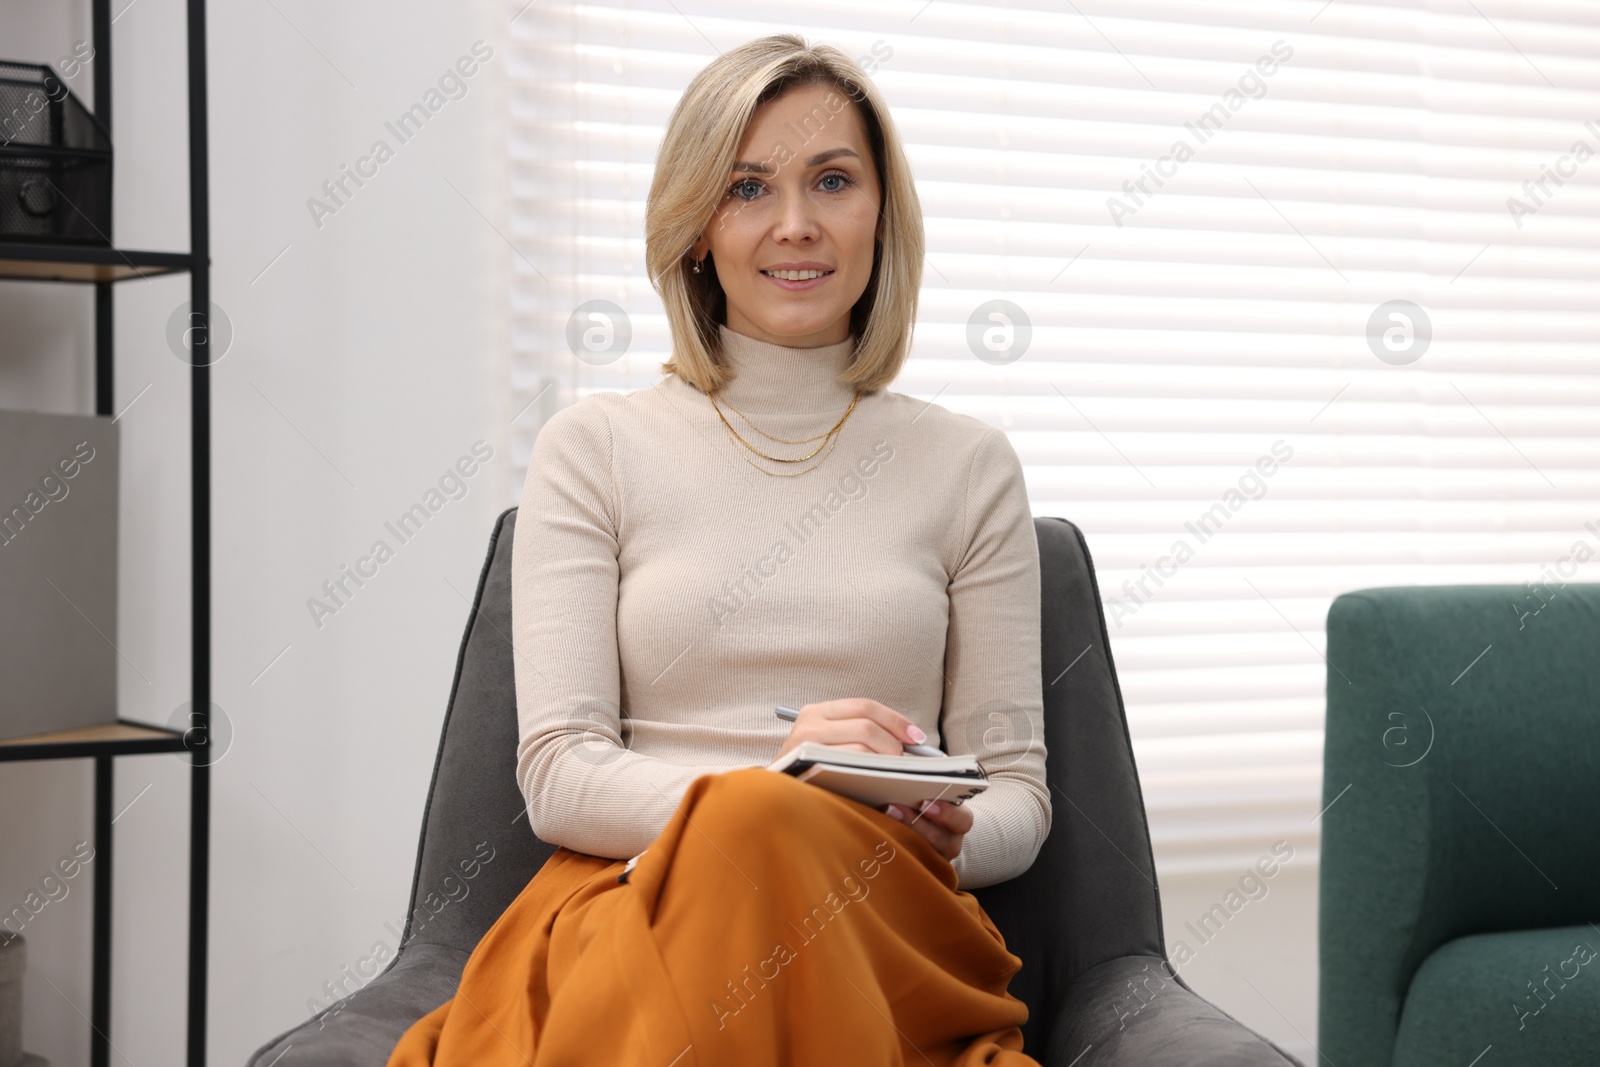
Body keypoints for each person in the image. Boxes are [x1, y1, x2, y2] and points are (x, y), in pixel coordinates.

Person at [388, 32, 1049, 1066]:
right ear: (697, 226)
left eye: (833, 179)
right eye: (748, 186)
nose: (796, 224)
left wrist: (938, 824)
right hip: (632, 906)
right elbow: (560, 775)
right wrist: (771, 782)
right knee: (746, 820)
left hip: (878, 917)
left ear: (882, 211)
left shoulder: (966, 464)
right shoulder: (594, 448)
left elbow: (1018, 793)